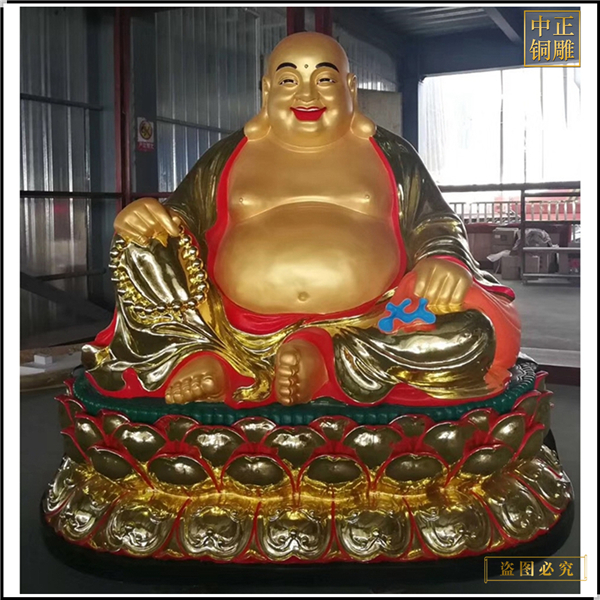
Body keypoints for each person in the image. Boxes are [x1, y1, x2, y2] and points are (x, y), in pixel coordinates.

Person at [82, 32, 520, 406]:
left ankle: (325, 356)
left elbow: (435, 223)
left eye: (324, 80)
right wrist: (146, 216)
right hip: (226, 325)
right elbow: (180, 218)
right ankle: (203, 355)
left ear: (350, 87)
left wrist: (443, 259)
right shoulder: (228, 156)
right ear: (266, 90)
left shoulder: (391, 154)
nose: (307, 96)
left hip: (375, 321)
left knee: (470, 335)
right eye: (289, 80)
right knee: (139, 246)